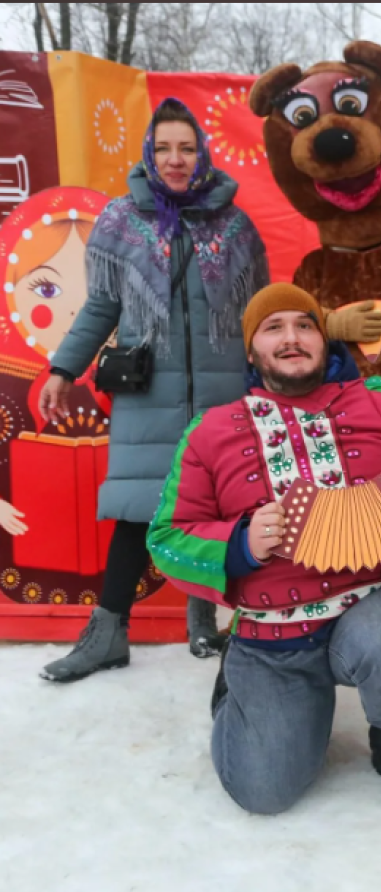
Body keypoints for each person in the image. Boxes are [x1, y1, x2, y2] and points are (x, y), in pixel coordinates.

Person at [147, 283, 381, 816]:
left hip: (378, 598)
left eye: (305, 325)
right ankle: (246, 687)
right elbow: (166, 538)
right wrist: (239, 544)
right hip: (273, 628)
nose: (292, 338)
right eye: (273, 328)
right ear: (252, 351)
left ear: (325, 340)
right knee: (264, 792)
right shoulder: (209, 433)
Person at [38, 98, 270, 681]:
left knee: (218, 509)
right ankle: (107, 635)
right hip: (148, 391)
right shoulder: (122, 220)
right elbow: (101, 304)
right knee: (138, 512)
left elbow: (260, 308)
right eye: (164, 148)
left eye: (186, 148)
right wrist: (64, 369)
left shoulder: (235, 224)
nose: (175, 159)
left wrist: (275, 373)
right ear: (148, 151)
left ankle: (204, 622)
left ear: (202, 154)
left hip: (223, 393)